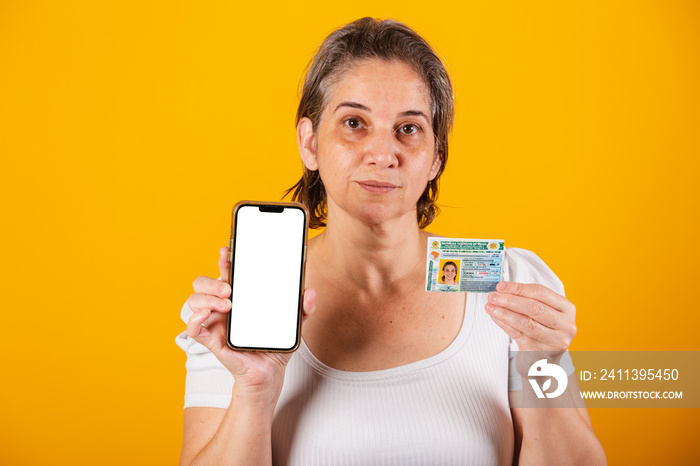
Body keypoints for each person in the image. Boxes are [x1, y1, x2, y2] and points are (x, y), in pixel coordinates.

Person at [175, 17, 607, 465]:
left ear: (436, 156)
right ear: (310, 143)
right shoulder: (236, 313)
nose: (383, 155)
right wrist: (254, 390)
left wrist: (544, 364)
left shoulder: (513, 283)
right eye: (354, 123)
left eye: (409, 128)